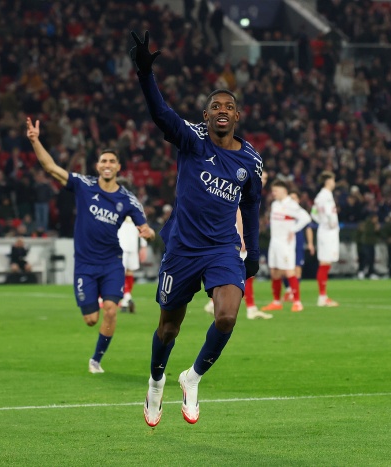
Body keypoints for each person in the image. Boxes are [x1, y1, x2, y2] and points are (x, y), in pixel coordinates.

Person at [131, 31, 262, 426]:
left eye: (229, 106)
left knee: (227, 317)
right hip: (182, 248)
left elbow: (251, 204)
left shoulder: (250, 161)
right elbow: (161, 114)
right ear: (206, 116)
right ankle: (156, 381)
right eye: (215, 106)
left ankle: (192, 377)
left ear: (237, 116)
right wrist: (145, 74)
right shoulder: (193, 139)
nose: (222, 110)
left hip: (222, 248)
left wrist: (253, 252)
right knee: (168, 328)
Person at [27, 118, 155, 375]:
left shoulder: (128, 199)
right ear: (97, 166)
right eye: (103, 161)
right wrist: (34, 140)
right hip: (85, 264)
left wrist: (148, 233)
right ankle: (93, 306)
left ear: (118, 167)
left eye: (112, 161)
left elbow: (147, 229)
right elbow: (50, 167)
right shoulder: (83, 186)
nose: (107, 165)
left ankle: (96, 359)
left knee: (111, 311)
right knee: (90, 320)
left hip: (111, 263)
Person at [261, 179, 312, 313]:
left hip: (286, 244)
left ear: (284, 191)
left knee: (289, 271)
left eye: (276, 191)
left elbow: (306, 218)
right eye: (273, 191)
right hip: (274, 243)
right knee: (274, 272)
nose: (273, 193)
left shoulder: (291, 204)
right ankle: (276, 302)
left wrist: (293, 229)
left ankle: (297, 302)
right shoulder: (275, 204)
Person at [311, 171, 340, 306]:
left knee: (325, 263)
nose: (334, 183)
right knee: (325, 263)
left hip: (323, 230)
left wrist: (321, 222)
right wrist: (330, 223)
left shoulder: (319, 196)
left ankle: (323, 296)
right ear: (328, 181)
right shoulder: (326, 196)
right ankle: (322, 297)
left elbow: (313, 213)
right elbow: (328, 213)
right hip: (328, 232)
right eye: (333, 180)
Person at [282, 190, 314, 303]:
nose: (292, 200)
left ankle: (293, 292)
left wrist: (310, 243)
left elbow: (308, 228)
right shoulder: (284, 210)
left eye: (294, 198)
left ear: (298, 200)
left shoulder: (301, 213)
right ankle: (288, 290)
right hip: (285, 242)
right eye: (291, 198)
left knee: (297, 267)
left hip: (298, 242)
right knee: (284, 267)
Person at [117, 214, 148, 313]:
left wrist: (143, 246)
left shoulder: (137, 208)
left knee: (128, 272)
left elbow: (143, 226)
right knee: (121, 273)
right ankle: (126, 299)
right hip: (121, 245)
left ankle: (125, 299)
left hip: (131, 245)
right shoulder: (116, 206)